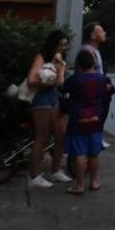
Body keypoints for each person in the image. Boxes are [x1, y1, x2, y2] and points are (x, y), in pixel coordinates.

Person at [62, 50, 111, 195]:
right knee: (93, 154)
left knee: (79, 153)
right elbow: (107, 94)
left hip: (78, 121)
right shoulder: (101, 79)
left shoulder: (75, 79)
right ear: (93, 63)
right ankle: (94, 181)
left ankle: (80, 185)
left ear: (78, 63)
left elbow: (63, 89)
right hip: (96, 120)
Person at [26, 30, 69, 189]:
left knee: (60, 134)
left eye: (65, 45)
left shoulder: (59, 60)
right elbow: (31, 79)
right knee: (42, 136)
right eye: (60, 45)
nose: (62, 48)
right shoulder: (41, 57)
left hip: (54, 98)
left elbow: (60, 82)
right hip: (42, 99)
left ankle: (56, 170)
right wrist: (49, 81)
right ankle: (34, 175)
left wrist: (60, 68)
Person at [80, 22, 112, 149]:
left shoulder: (95, 50)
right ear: (93, 35)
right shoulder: (88, 51)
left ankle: (96, 139)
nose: (104, 33)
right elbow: (88, 74)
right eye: (101, 31)